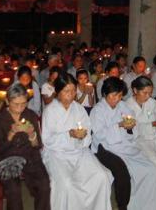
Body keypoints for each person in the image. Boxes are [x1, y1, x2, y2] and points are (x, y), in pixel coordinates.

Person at [90, 77, 156, 210]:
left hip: (126, 145)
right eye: (113, 95)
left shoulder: (123, 106)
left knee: (151, 170)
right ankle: (123, 205)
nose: (117, 99)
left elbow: (132, 126)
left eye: (120, 95)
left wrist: (130, 127)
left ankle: (147, 204)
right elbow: (100, 134)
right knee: (123, 173)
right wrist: (119, 125)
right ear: (104, 94)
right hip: (105, 148)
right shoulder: (97, 110)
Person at [41, 73, 113, 210]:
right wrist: (69, 134)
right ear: (57, 92)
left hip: (79, 151)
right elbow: (47, 140)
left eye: (74, 90)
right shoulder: (50, 111)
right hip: (57, 154)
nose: (71, 94)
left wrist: (82, 137)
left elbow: (88, 131)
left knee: (101, 177)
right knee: (67, 184)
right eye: (66, 91)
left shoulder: (79, 109)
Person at [0, 84, 50, 210]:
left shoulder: (30, 115)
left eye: (23, 103)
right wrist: (11, 134)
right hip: (7, 157)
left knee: (44, 185)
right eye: (15, 104)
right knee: (13, 190)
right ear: (7, 101)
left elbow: (37, 145)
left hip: (29, 155)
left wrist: (32, 135)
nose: (20, 108)